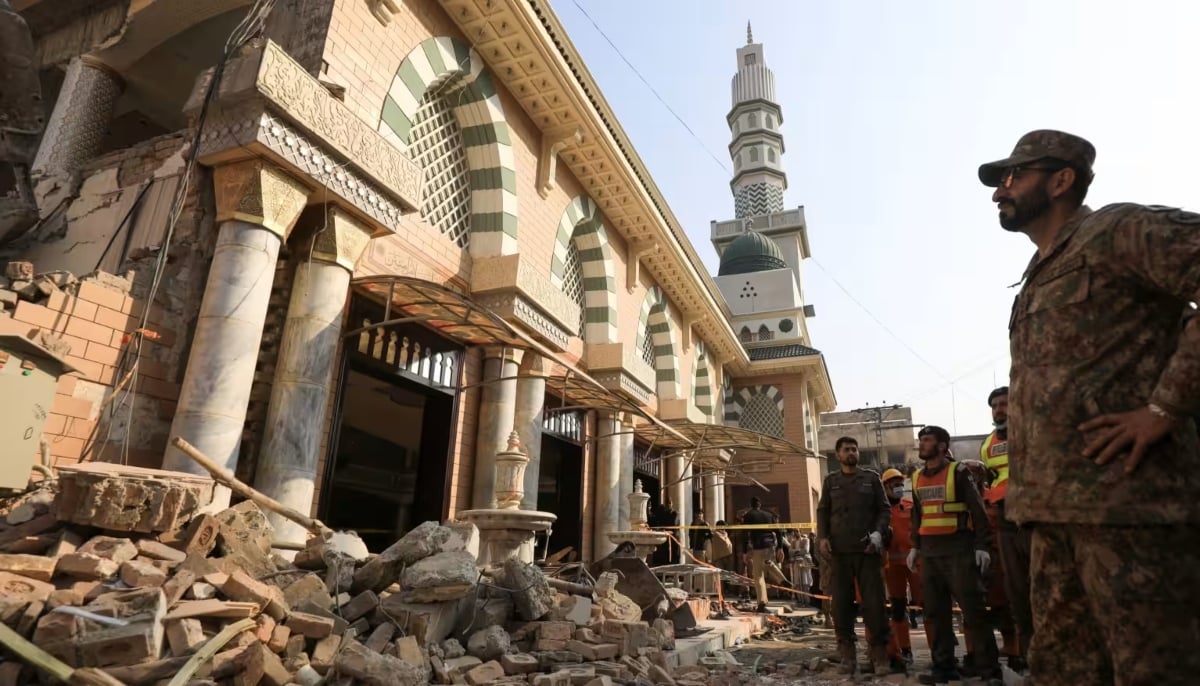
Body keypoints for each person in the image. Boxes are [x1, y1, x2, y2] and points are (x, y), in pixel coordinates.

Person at [980, 129, 1200, 685]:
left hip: (1129, 510)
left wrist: (1165, 408)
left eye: (1013, 177)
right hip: (1052, 517)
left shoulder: (1116, 231)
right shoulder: (1036, 276)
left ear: (1061, 180)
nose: (999, 192)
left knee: (1153, 669)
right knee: (1064, 671)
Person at [907, 426, 1001, 685]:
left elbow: (978, 510)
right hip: (930, 553)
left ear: (941, 446)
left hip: (958, 551)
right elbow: (917, 515)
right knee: (936, 614)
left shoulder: (958, 472)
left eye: (927, 440)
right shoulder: (915, 478)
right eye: (921, 439)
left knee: (974, 612)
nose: (922, 444)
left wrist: (982, 546)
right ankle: (943, 668)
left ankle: (990, 671)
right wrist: (915, 545)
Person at [816, 436, 891, 675]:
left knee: (875, 606)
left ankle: (879, 657)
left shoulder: (871, 479)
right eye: (847, 449)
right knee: (841, 607)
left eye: (854, 449)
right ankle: (847, 656)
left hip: (867, 552)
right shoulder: (831, 482)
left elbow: (884, 509)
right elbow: (823, 512)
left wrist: (879, 533)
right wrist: (823, 537)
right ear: (838, 455)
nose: (852, 452)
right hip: (839, 554)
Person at [978, 386, 1030, 672]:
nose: (999, 409)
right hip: (1004, 522)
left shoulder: (1033, 431)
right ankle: (1020, 650)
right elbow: (991, 480)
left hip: (1034, 518)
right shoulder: (987, 445)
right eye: (995, 405)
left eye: (1004, 403)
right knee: (1013, 590)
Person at [881, 467, 923, 665]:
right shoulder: (880, 511)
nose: (898, 488)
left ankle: (941, 652)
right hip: (892, 565)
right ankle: (904, 649)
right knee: (898, 608)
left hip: (915, 563)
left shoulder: (910, 506)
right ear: (885, 487)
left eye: (900, 484)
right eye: (894, 485)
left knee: (927, 604)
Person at [740, 496, 781, 612]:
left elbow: (745, 534)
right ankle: (780, 579)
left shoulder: (748, 516)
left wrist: (744, 552)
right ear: (760, 505)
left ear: (751, 504)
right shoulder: (769, 515)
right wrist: (780, 548)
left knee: (758, 575)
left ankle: (762, 601)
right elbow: (778, 532)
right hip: (771, 546)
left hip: (758, 547)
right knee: (769, 566)